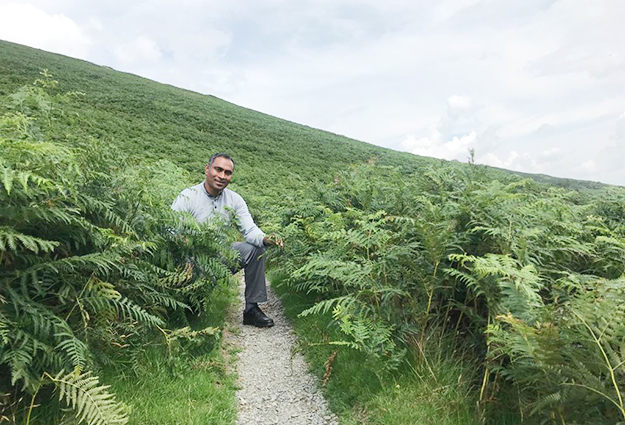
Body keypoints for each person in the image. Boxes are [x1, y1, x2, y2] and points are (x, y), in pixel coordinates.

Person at [171, 153, 282, 328]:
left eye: (228, 173)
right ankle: (187, 303)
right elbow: (170, 229)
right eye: (218, 169)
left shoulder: (235, 199)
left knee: (256, 250)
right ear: (207, 169)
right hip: (190, 261)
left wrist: (266, 239)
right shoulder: (188, 196)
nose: (222, 176)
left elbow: (250, 229)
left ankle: (251, 309)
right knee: (192, 311)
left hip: (221, 256)